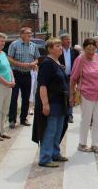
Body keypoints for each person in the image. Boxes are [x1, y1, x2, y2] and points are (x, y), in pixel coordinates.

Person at [33, 38, 69, 168]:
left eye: (60, 45)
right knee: (50, 130)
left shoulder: (57, 62)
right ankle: (45, 158)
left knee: (58, 130)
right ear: (50, 49)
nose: (61, 47)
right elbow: (42, 85)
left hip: (60, 102)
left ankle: (55, 153)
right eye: (57, 45)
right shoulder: (47, 63)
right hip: (52, 102)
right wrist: (45, 104)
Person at [70, 38, 98, 153]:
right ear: (84, 48)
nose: (91, 51)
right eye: (88, 48)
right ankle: (82, 143)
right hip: (86, 93)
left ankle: (95, 145)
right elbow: (73, 78)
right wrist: (71, 94)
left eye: (93, 48)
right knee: (86, 119)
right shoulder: (80, 59)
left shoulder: (97, 57)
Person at [7, 27, 40, 128]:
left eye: (30, 33)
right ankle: (12, 120)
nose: (30, 35)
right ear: (21, 34)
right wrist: (20, 64)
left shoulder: (33, 45)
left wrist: (33, 63)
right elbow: (9, 58)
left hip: (27, 74)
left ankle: (23, 119)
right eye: (27, 33)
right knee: (14, 97)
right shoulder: (14, 44)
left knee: (26, 97)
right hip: (16, 73)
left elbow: (37, 58)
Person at [58, 33, 79, 123]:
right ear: (62, 41)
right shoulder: (58, 50)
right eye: (66, 39)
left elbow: (78, 64)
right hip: (61, 77)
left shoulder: (74, 51)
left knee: (70, 95)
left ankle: (70, 114)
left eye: (69, 39)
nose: (69, 41)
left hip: (71, 77)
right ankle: (62, 113)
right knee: (62, 95)